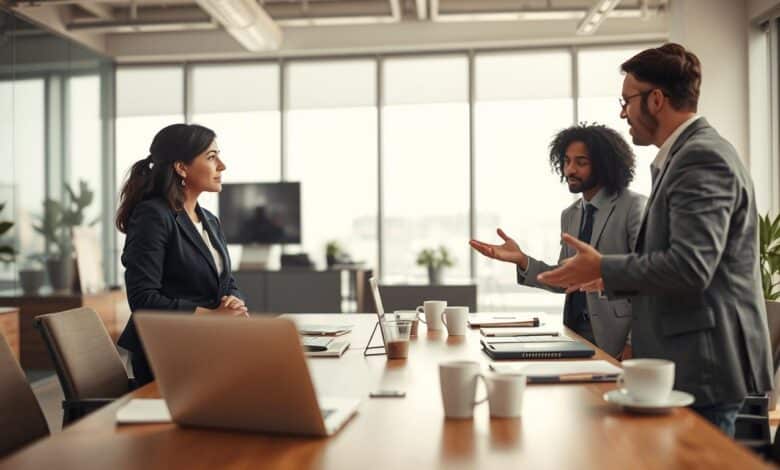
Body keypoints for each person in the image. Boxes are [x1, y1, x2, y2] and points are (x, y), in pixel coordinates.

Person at [537, 43, 773, 436]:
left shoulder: (701, 158)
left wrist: (606, 268)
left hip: (704, 366)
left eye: (627, 100)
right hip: (691, 362)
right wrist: (605, 276)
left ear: (657, 100)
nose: (622, 111)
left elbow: (690, 267)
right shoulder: (683, 155)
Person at [470, 124, 645, 358]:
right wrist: (522, 260)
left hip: (617, 341)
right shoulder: (570, 214)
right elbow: (566, 279)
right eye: (566, 161)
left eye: (581, 162)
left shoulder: (634, 207)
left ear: (604, 165)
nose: (570, 169)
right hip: (574, 337)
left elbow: (647, 283)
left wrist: (633, 344)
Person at [115, 123, 248, 386]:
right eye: (211, 157)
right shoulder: (153, 215)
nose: (222, 165)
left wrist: (234, 302)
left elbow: (225, 280)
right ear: (181, 167)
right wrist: (210, 318)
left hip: (209, 343)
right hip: (167, 352)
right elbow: (143, 298)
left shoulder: (209, 219)